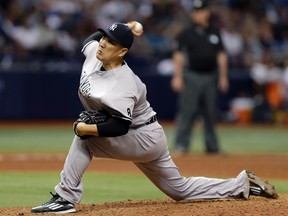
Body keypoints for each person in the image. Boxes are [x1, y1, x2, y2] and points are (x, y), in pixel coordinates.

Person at [31, 21, 278, 214]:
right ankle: (242, 184)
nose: (104, 43)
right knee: (179, 190)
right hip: (147, 133)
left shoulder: (124, 83)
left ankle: (65, 198)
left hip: (143, 136)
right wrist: (126, 26)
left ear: (123, 52)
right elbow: (90, 40)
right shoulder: (98, 52)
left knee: (86, 139)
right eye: (105, 37)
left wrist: (86, 129)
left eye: (111, 41)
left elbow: (119, 125)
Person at [171, 0, 228, 154]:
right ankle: (181, 144)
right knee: (187, 111)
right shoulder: (186, 33)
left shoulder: (215, 32)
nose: (198, 14)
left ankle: (212, 146)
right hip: (192, 76)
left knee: (210, 112)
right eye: (196, 11)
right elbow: (178, 55)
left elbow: (221, 55)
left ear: (208, 12)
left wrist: (223, 76)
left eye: (201, 11)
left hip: (210, 76)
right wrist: (178, 76)